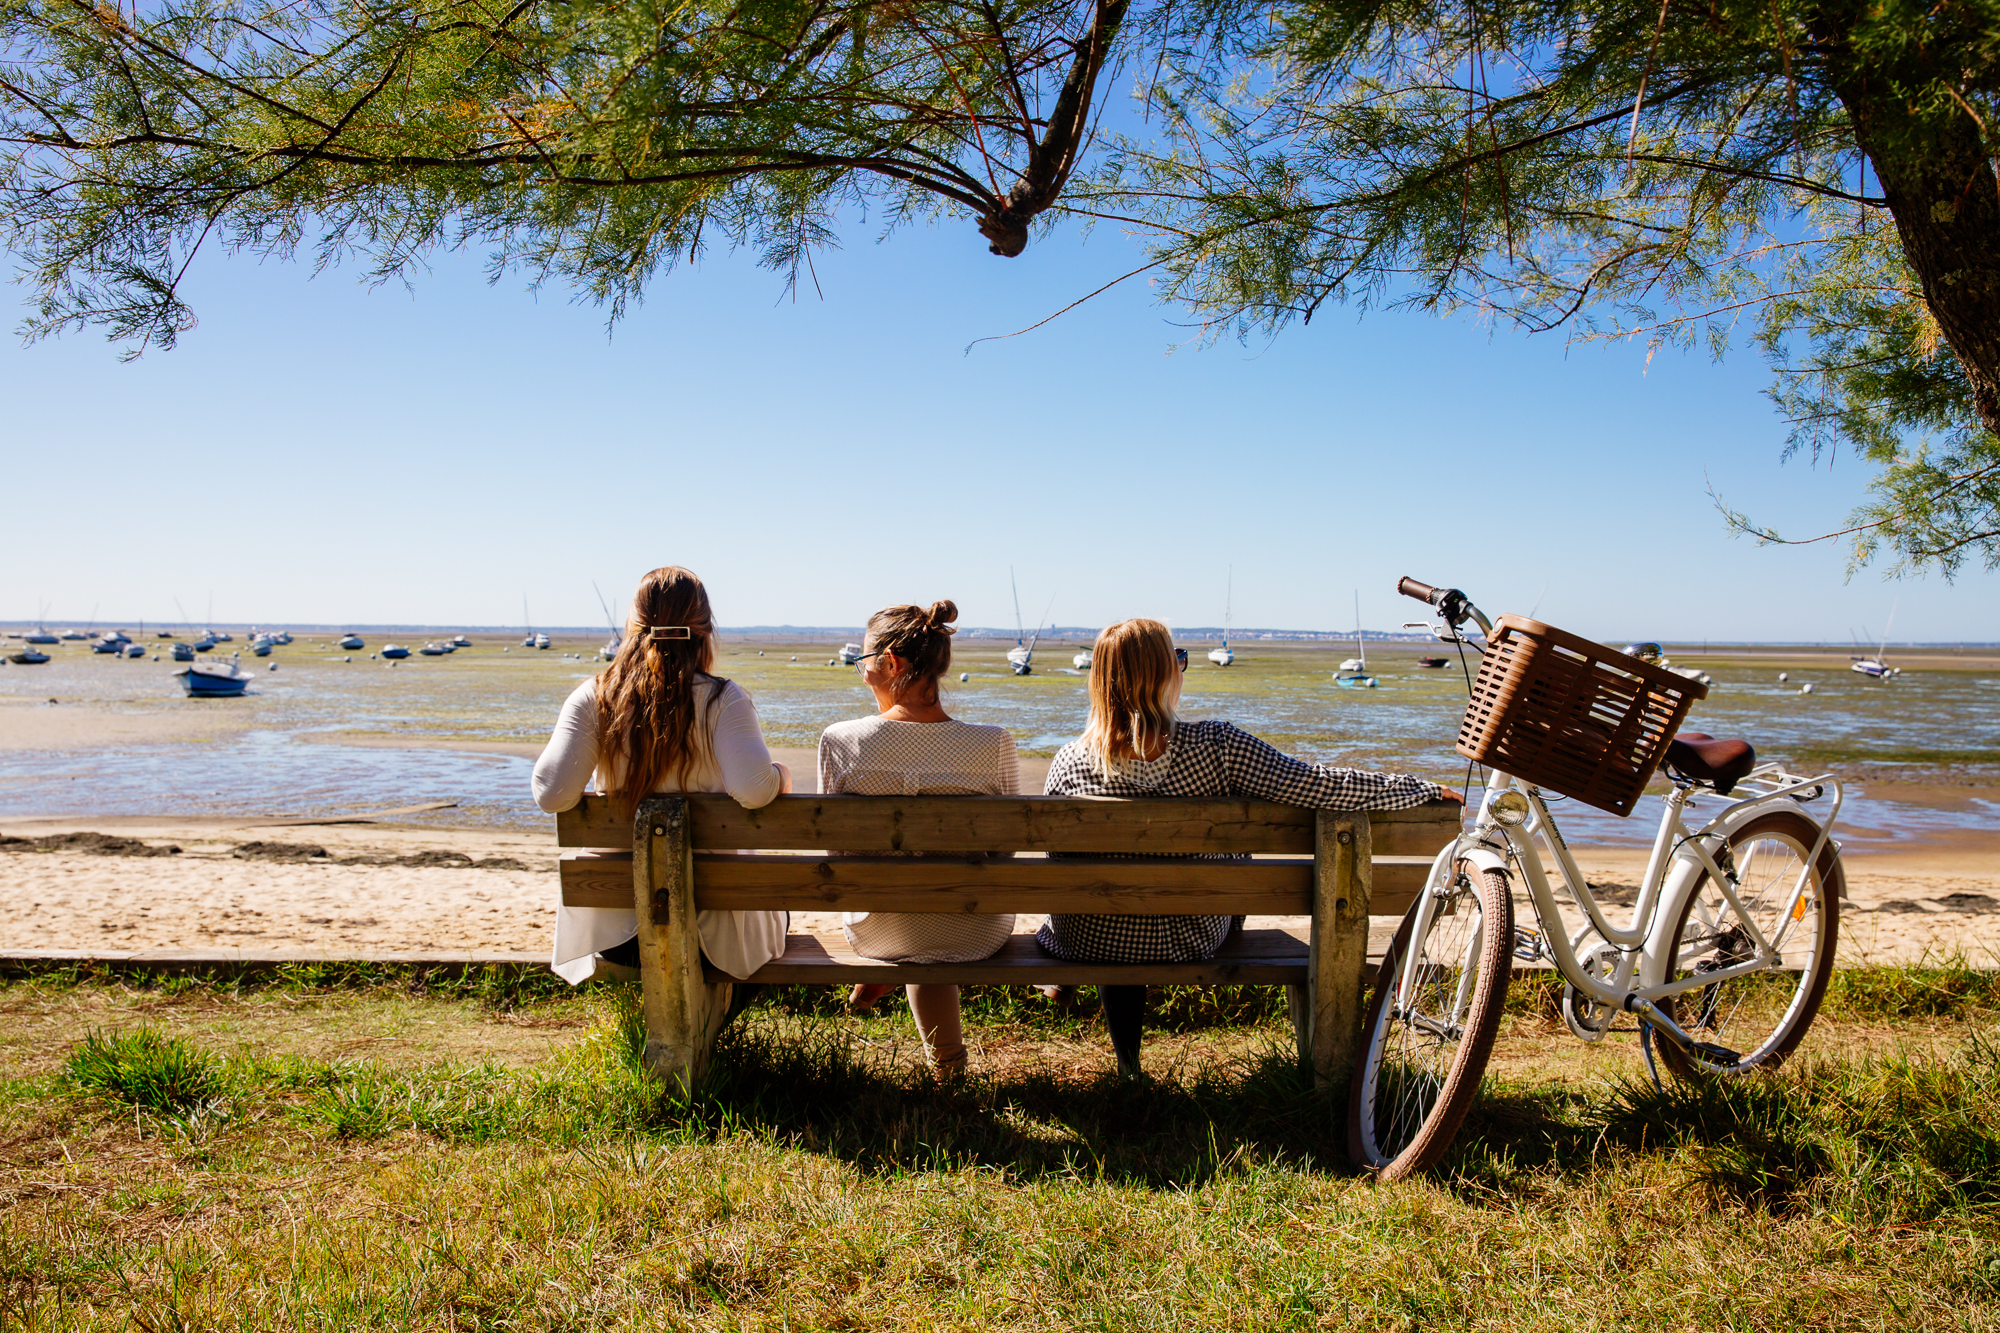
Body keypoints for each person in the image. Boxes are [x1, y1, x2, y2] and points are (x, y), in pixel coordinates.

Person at [1039, 618, 1458, 1076]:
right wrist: (1415, 789)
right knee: (1230, 856)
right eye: (1179, 660)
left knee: (1107, 884)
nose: (1183, 670)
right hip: (1187, 937)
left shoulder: (1068, 762)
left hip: (1091, 939)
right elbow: (1318, 785)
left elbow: (1057, 863)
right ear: (1164, 676)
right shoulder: (1217, 746)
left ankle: (1127, 1066)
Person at [532, 566, 793, 986]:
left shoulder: (594, 695)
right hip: (713, 930)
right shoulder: (724, 699)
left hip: (618, 930)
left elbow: (552, 795)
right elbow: (753, 790)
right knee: (776, 911)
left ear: (633, 626)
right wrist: (781, 775)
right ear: (706, 628)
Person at [817, 599, 1018, 1075]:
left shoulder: (840, 740)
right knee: (934, 907)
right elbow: (1006, 847)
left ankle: (942, 1055)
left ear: (891, 663)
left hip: (876, 927)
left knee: (909, 912)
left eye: (863, 663)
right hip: (976, 929)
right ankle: (947, 1063)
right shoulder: (994, 743)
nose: (861, 672)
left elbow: (836, 851)